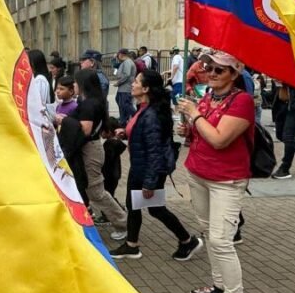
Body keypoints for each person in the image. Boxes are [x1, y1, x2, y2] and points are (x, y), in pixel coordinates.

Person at [176, 50, 254, 293]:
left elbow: (220, 140)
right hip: (198, 173)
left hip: (226, 180)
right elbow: (201, 133)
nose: (210, 73)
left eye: (219, 70)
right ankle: (218, 284)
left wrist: (195, 115)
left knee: (222, 241)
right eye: (208, 67)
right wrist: (188, 127)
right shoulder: (208, 97)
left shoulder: (242, 101)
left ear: (234, 74)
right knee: (208, 231)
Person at [111, 70, 202, 261]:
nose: (132, 84)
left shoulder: (151, 114)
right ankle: (132, 245)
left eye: (136, 81)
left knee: (155, 208)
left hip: (148, 169)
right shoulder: (144, 108)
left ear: (145, 89)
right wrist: (126, 133)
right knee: (135, 206)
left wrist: (150, 182)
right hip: (141, 166)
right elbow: (143, 135)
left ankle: (187, 240)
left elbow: (155, 151)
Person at [56, 69, 126, 240]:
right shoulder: (91, 101)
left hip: (90, 151)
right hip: (89, 149)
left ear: (82, 84)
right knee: (89, 189)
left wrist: (64, 120)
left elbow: (85, 130)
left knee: (96, 191)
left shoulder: (89, 104)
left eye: (75, 82)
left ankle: (123, 223)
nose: (73, 85)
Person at [100, 116, 124, 197]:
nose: (100, 132)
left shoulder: (109, 145)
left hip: (108, 176)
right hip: (115, 174)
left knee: (107, 195)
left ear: (109, 132)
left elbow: (106, 161)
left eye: (102, 130)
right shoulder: (117, 143)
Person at [113, 49, 136, 124]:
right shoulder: (125, 62)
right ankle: (123, 118)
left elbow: (126, 74)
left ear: (121, 54)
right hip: (123, 87)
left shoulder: (127, 62)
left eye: (118, 55)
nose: (117, 56)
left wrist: (118, 82)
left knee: (125, 104)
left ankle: (136, 117)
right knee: (119, 101)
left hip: (126, 88)